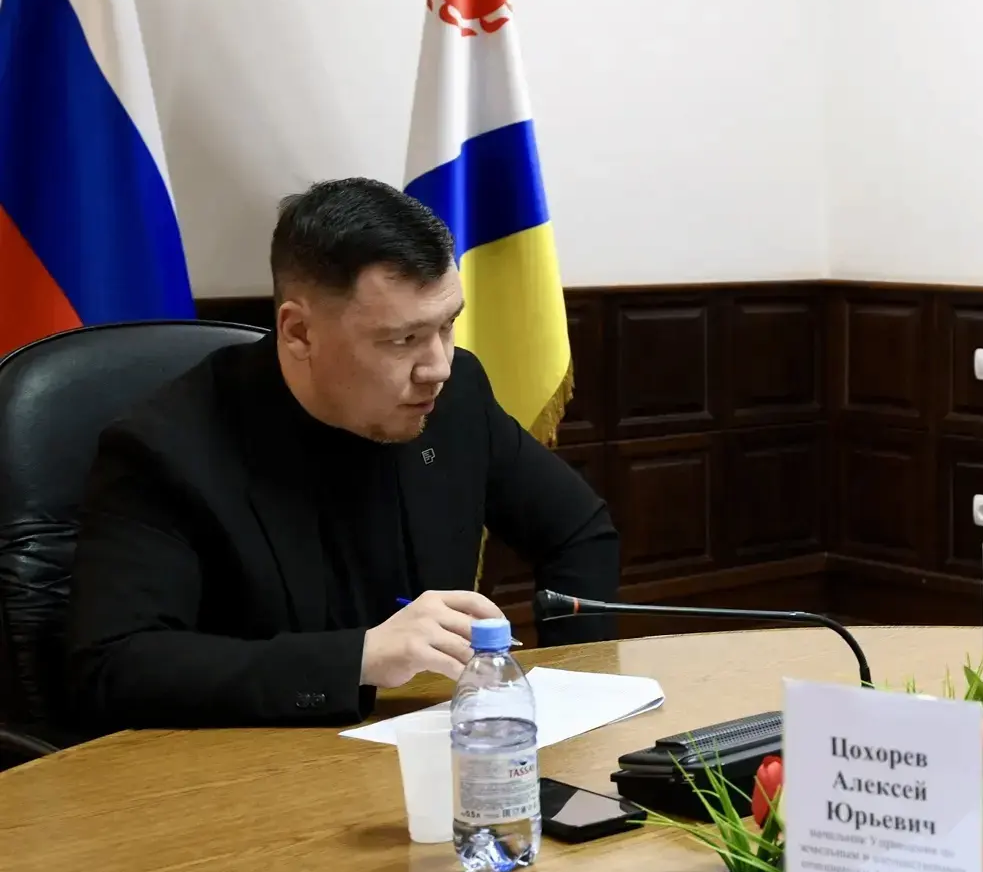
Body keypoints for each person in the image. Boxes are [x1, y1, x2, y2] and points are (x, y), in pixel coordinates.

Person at [65, 178, 619, 730]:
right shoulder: (166, 449)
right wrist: (359, 659)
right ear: (299, 332)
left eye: (447, 325)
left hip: (434, 739)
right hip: (253, 758)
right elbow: (116, 666)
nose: (438, 366)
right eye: (403, 339)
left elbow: (578, 532)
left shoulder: (455, 396)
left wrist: (566, 694)